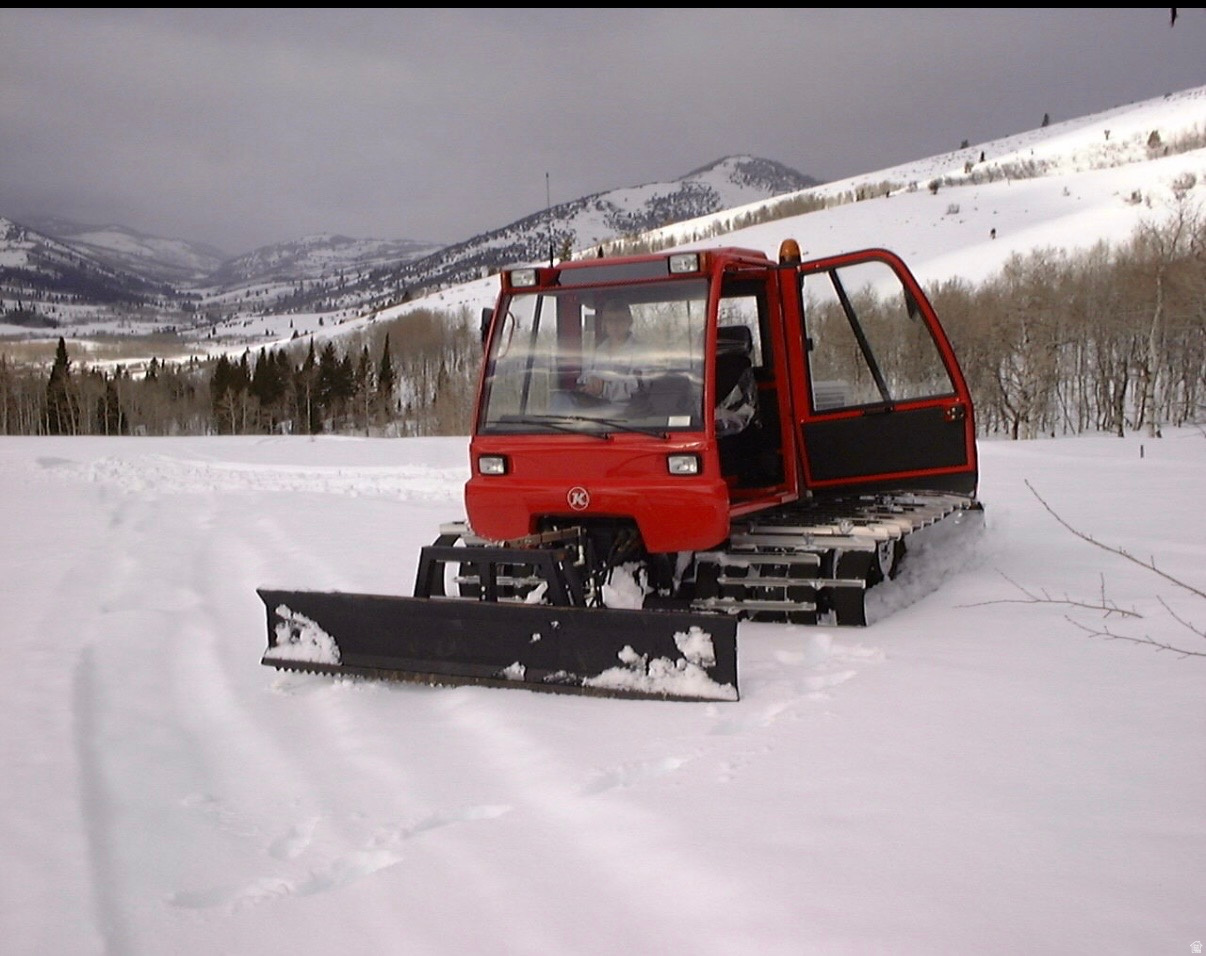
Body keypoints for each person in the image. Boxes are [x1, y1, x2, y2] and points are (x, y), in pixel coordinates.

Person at [578, 300, 642, 403]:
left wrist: (604, 389)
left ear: (630, 321)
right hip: (594, 411)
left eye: (620, 319)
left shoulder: (641, 353)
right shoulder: (597, 352)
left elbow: (637, 388)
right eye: (610, 320)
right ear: (604, 324)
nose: (615, 325)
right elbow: (582, 377)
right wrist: (590, 381)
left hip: (627, 413)